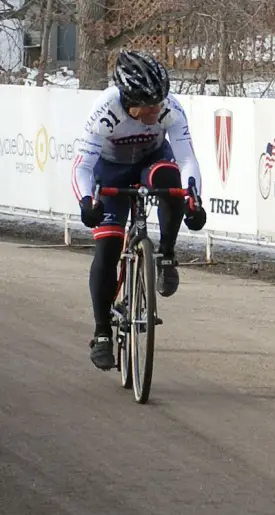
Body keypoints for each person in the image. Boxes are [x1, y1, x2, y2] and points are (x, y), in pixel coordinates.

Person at [71, 50, 208, 371]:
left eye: (160, 102)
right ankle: (102, 331)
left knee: (170, 179)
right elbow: (82, 165)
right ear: (129, 100)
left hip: (151, 161)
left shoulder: (170, 108)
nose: (157, 110)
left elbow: (187, 158)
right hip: (112, 170)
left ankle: (166, 255)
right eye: (149, 106)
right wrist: (85, 201)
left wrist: (194, 199)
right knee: (106, 248)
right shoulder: (105, 111)